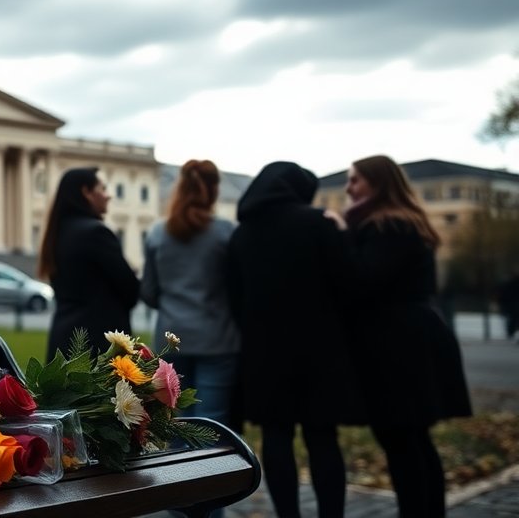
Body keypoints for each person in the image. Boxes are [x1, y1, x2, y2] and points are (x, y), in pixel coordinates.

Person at [341, 155, 472, 518]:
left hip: (399, 346)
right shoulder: (399, 222)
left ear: (378, 183)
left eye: (356, 181)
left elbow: (363, 280)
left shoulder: (388, 226)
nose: (349, 189)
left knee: (401, 438)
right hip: (408, 340)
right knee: (411, 438)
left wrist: (339, 235)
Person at [227, 161, 359, 518]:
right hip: (320, 351)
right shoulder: (319, 224)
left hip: (264, 353)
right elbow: (347, 284)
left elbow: (233, 297)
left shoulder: (242, 235)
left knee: (276, 438)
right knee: (322, 438)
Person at [141, 159, 239, 433]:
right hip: (218, 338)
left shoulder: (158, 233)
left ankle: (183, 476)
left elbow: (148, 291)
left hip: (170, 339)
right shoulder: (226, 233)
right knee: (212, 423)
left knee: (174, 422)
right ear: (214, 189)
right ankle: (214, 476)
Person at [38, 167, 139, 361]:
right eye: (102, 189)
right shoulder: (97, 233)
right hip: (96, 345)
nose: (108, 196)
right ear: (86, 192)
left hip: (63, 341)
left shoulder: (56, 233)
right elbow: (130, 290)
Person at [500, 273, 519, 343]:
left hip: (511, 305)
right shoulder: (512, 285)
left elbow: (504, 295)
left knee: (512, 319)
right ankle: (511, 332)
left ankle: (510, 332)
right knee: (513, 319)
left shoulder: (509, 284)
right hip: (513, 304)